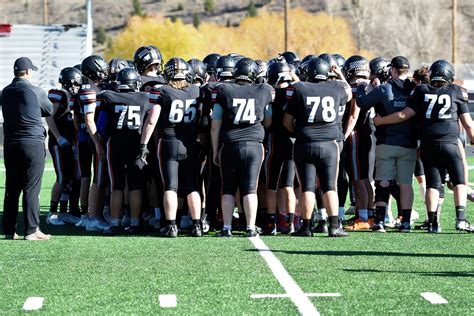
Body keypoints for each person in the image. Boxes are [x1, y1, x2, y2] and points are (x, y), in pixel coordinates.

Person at [374, 60, 474, 233]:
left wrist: (381, 120)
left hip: (428, 144)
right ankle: (461, 220)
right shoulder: (456, 91)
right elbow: (468, 124)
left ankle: (433, 223)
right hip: (450, 143)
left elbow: (404, 115)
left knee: (433, 184)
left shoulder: (421, 90)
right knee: (459, 182)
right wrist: (472, 139)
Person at [283, 57, 349, 237]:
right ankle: (334, 225)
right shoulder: (336, 88)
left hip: (305, 143)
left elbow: (287, 121)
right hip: (329, 144)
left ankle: (306, 227)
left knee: (307, 187)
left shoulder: (300, 89)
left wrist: (298, 131)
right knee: (330, 186)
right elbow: (349, 93)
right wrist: (340, 74)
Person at [140, 57, 203, 237]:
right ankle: (196, 225)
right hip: (190, 143)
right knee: (192, 186)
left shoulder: (162, 91)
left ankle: (171, 225)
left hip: (168, 142)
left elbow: (152, 120)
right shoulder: (196, 91)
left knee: (170, 187)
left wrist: (144, 144)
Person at [211, 58, 273, 237]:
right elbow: (268, 121)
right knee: (250, 188)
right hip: (254, 145)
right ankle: (250, 227)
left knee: (228, 188)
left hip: (230, 145)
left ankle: (227, 228)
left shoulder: (224, 90)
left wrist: (215, 150)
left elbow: (215, 125)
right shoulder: (263, 90)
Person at [356, 56, 417, 233]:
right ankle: (405, 222)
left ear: (393, 70)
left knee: (383, 180)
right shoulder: (415, 89)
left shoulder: (384, 88)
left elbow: (362, 102)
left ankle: (380, 221)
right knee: (406, 184)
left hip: (387, 142)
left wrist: (361, 87)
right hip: (409, 143)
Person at [2, 57, 53, 240]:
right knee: (31, 187)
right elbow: (49, 110)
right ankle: (31, 230)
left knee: (12, 188)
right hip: (32, 143)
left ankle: (8, 230)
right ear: (28, 72)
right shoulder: (35, 90)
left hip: (11, 144)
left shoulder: (5, 92)